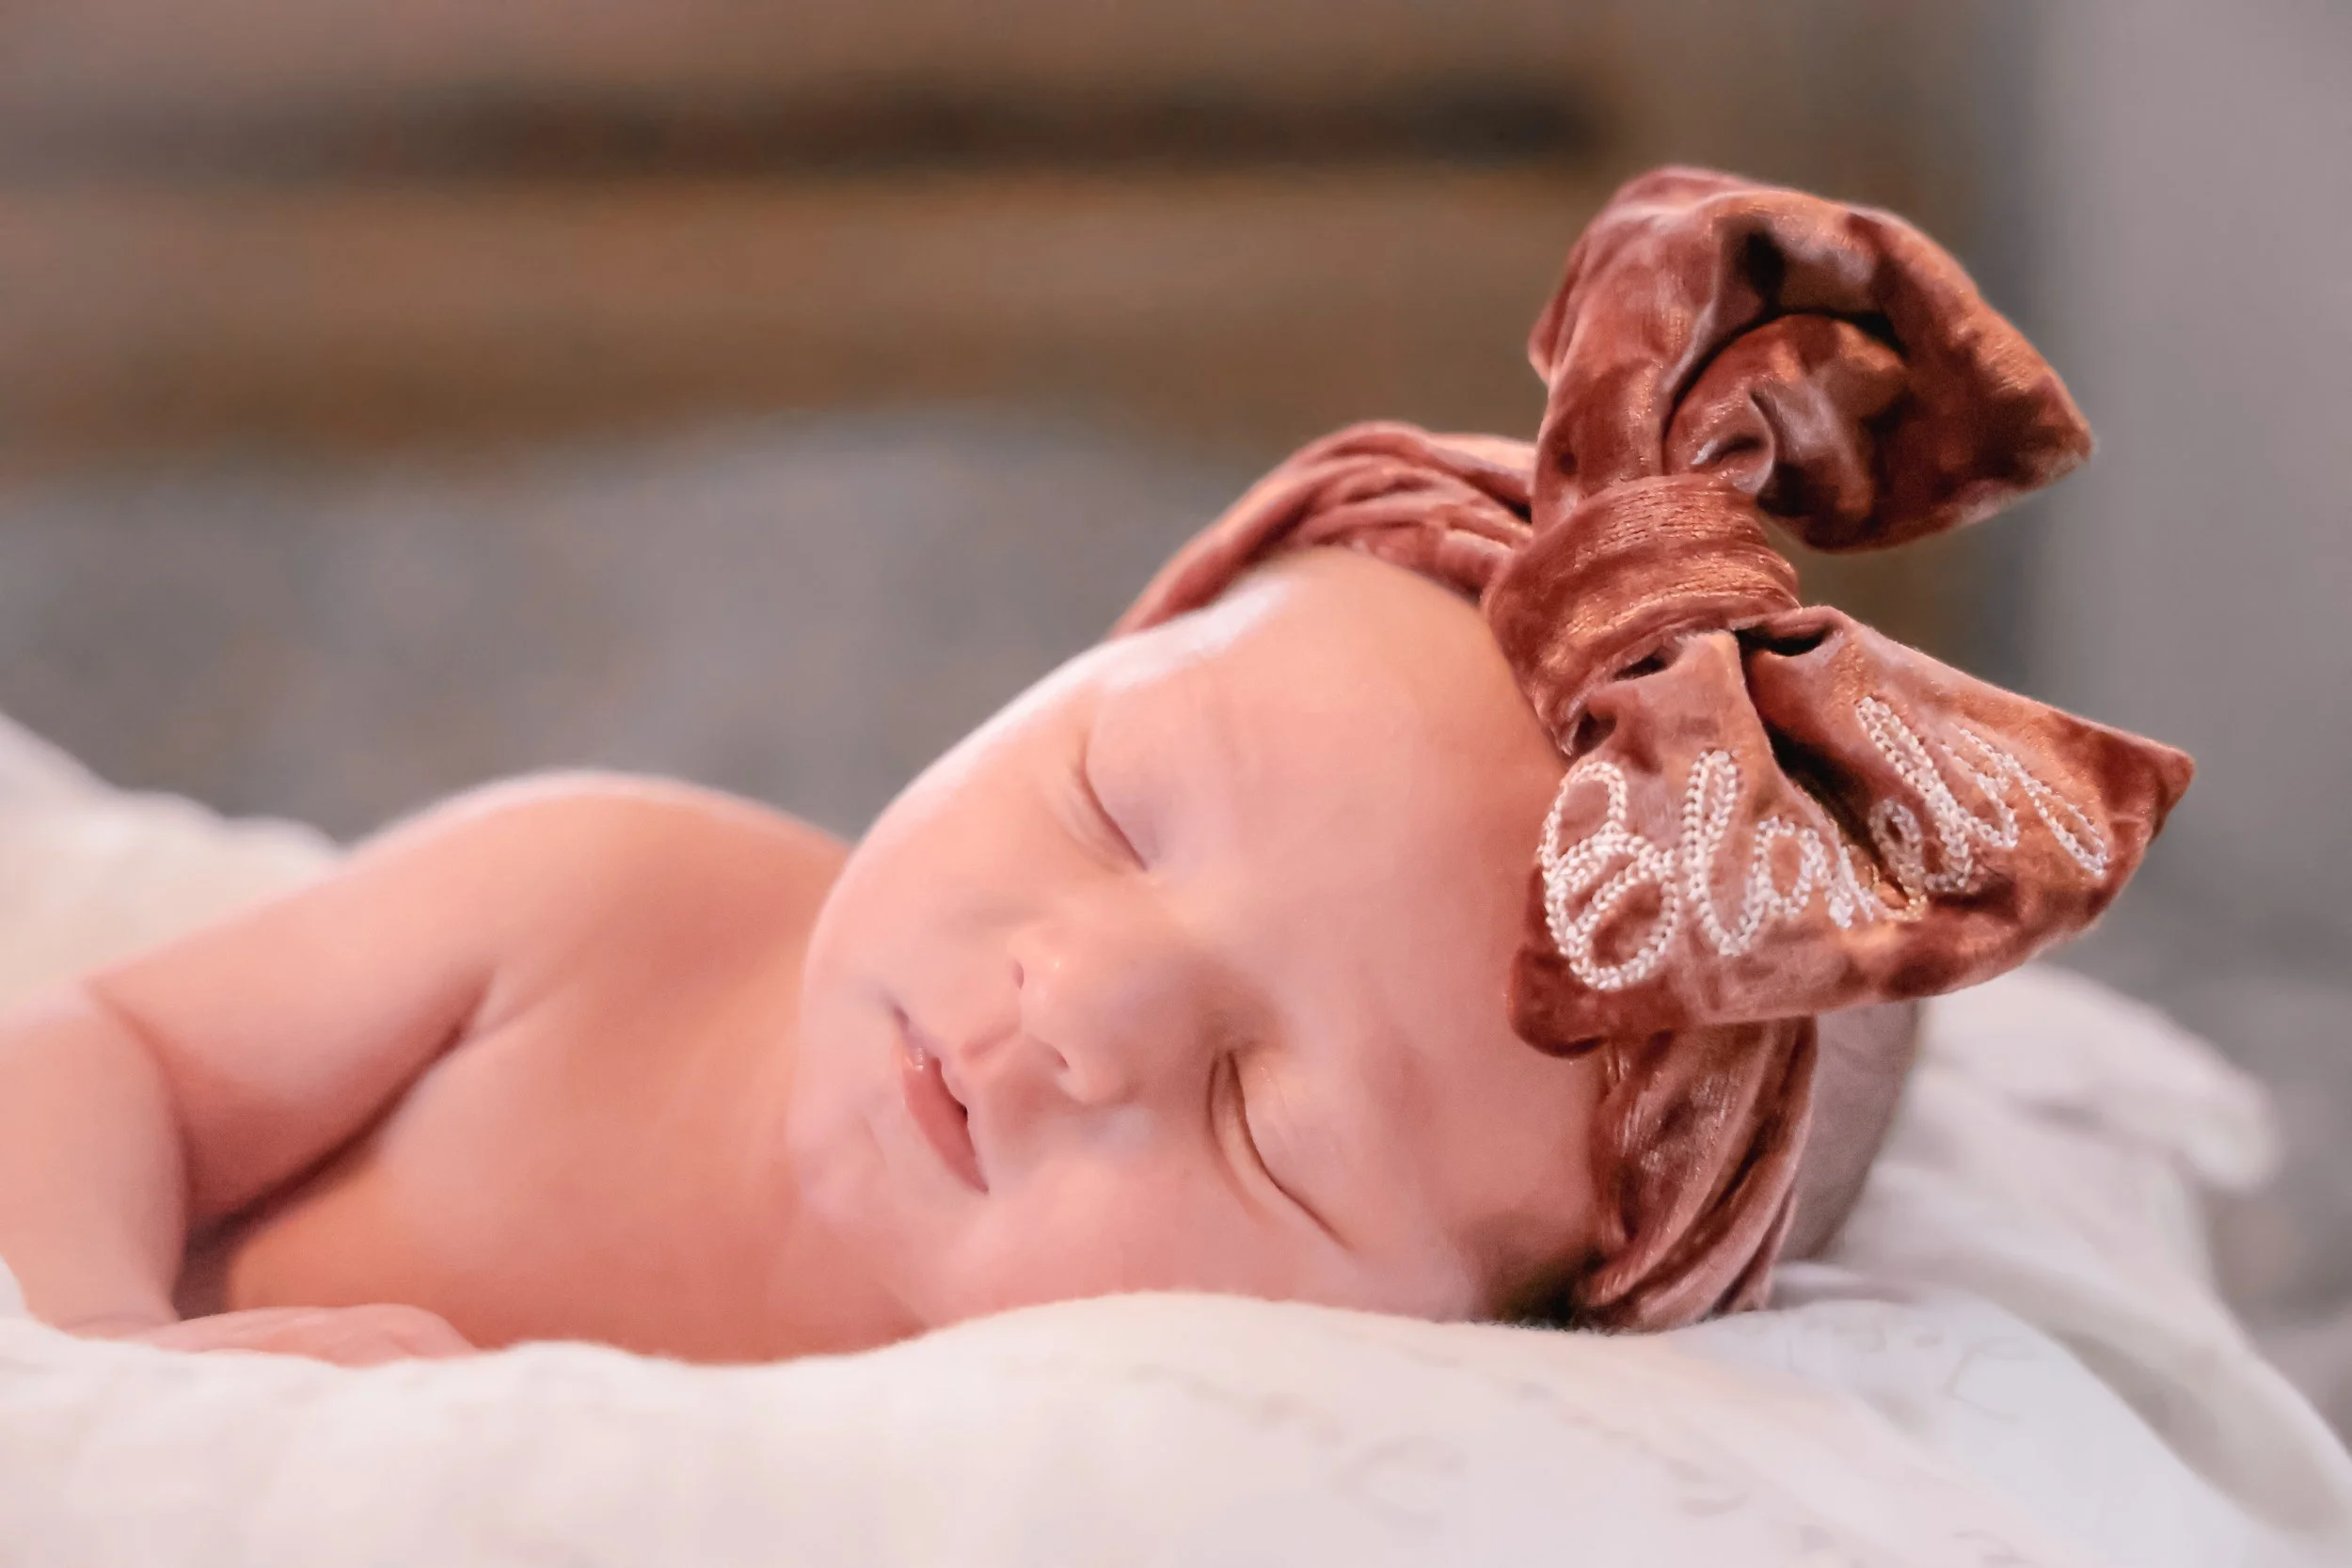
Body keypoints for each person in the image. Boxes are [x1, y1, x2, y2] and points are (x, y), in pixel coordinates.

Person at [0, 168, 2192, 1368]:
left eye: (1265, 1122)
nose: (1080, 1010)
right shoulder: (591, 901)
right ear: (1092, 657)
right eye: (1115, 799)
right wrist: (96, 1357)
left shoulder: (1110, 1468)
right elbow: (98, 1050)